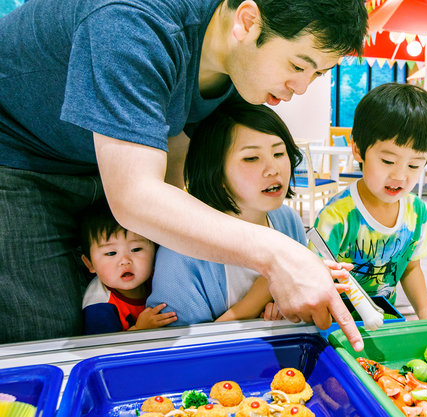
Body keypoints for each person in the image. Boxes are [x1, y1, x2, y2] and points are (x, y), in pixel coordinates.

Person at [0, 0, 368, 349]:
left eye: (317, 73)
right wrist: (277, 256)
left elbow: (171, 162)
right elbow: (135, 195)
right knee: (48, 334)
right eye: (297, 65)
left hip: (99, 159)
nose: (301, 88)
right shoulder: (134, 23)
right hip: (17, 157)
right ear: (247, 21)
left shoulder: (232, 67)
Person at [147, 101, 352, 325]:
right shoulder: (180, 251)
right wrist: (257, 300)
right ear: (216, 172)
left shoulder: (287, 220)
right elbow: (180, 353)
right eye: (251, 158)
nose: (273, 169)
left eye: (279, 153)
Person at [313, 83, 427, 320]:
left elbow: (411, 267)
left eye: (414, 165)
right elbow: (314, 277)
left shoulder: (416, 212)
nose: (400, 176)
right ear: (358, 150)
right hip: (334, 320)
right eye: (387, 161)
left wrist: (426, 314)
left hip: (384, 317)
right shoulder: (337, 216)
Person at [80, 200, 178, 334]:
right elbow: (104, 349)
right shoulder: (99, 306)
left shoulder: (161, 274)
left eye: (136, 249)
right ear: (89, 264)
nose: (125, 261)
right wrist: (139, 329)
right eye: (111, 253)